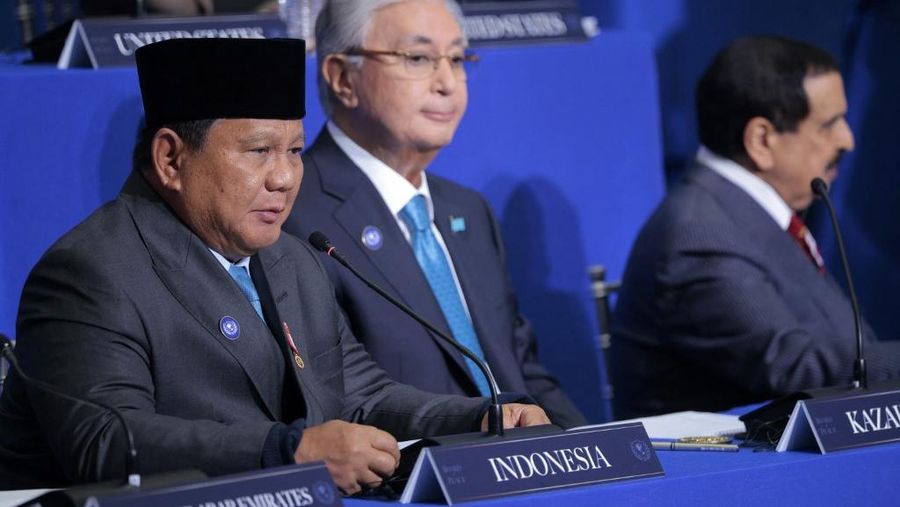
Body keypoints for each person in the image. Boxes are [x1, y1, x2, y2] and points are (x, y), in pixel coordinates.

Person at [0, 37, 548, 492]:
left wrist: (481, 418)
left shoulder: (291, 259)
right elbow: (106, 444)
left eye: (294, 151)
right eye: (259, 152)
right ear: (170, 159)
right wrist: (290, 450)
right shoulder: (88, 272)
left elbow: (362, 398)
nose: (285, 178)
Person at [282, 0, 586, 428]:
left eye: (458, 59)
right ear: (343, 78)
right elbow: (342, 398)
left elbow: (519, 369)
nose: (448, 83)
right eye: (419, 58)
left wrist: (588, 448)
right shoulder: (292, 215)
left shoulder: (467, 211)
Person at [610, 36, 900, 419]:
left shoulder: (756, 214)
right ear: (761, 139)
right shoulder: (698, 237)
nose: (848, 139)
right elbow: (796, 367)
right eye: (829, 125)